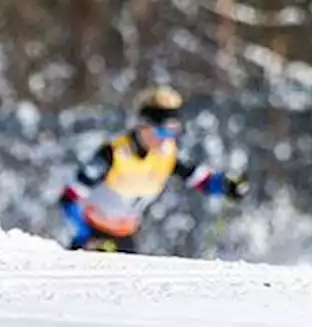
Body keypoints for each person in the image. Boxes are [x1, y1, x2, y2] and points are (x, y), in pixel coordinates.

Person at [57, 85, 248, 253]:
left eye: (174, 131)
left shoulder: (167, 155)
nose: (167, 138)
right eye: (162, 130)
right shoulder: (113, 154)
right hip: (93, 238)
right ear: (144, 126)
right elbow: (69, 197)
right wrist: (85, 235)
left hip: (126, 237)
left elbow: (201, 180)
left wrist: (226, 185)